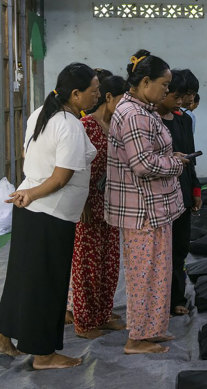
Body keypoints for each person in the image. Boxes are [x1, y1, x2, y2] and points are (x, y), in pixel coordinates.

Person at [0, 63, 99, 369]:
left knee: (21, 280)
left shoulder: (42, 112)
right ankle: (43, 354)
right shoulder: (69, 124)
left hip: (32, 211)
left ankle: (3, 337)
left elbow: (31, 157)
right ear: (75, 93)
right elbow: (60, 177)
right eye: (94, 91)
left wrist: (30, 192)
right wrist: (33, 193)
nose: (97, 95)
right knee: (48, 285)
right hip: (49, 214)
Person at [104, 49, 188, 354]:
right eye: (164, 85)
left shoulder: (144, 110)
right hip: (141, 210)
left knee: (157, 270)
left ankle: (151, 328)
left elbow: (151, 156)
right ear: (145, 82)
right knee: (143, 273)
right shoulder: (133, 114)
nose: (167, 91)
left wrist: (169, 157)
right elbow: (142, 165)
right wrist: (176, 165)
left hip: (153, 208)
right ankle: (136, 337)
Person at [69, 75, 127, 339]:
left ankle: (102, 315)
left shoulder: (115, 126)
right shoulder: (85, 126)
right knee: (86, 265)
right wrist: (80, 202)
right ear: (108, 98)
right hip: (88, 203)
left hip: (110, 201)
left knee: (109, 262)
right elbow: (76, 167)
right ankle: (83, 321)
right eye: (122, 100)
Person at [158, 70, 201, 316]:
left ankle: (176, 297)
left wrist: (195, 190)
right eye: (183, 95)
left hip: (183, 194)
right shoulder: (153, 121)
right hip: (162, 198)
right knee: (161, 252)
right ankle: (158, 301)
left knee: (180, 250)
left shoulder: (183, 120)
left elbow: (191, 159)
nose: (185, 101)